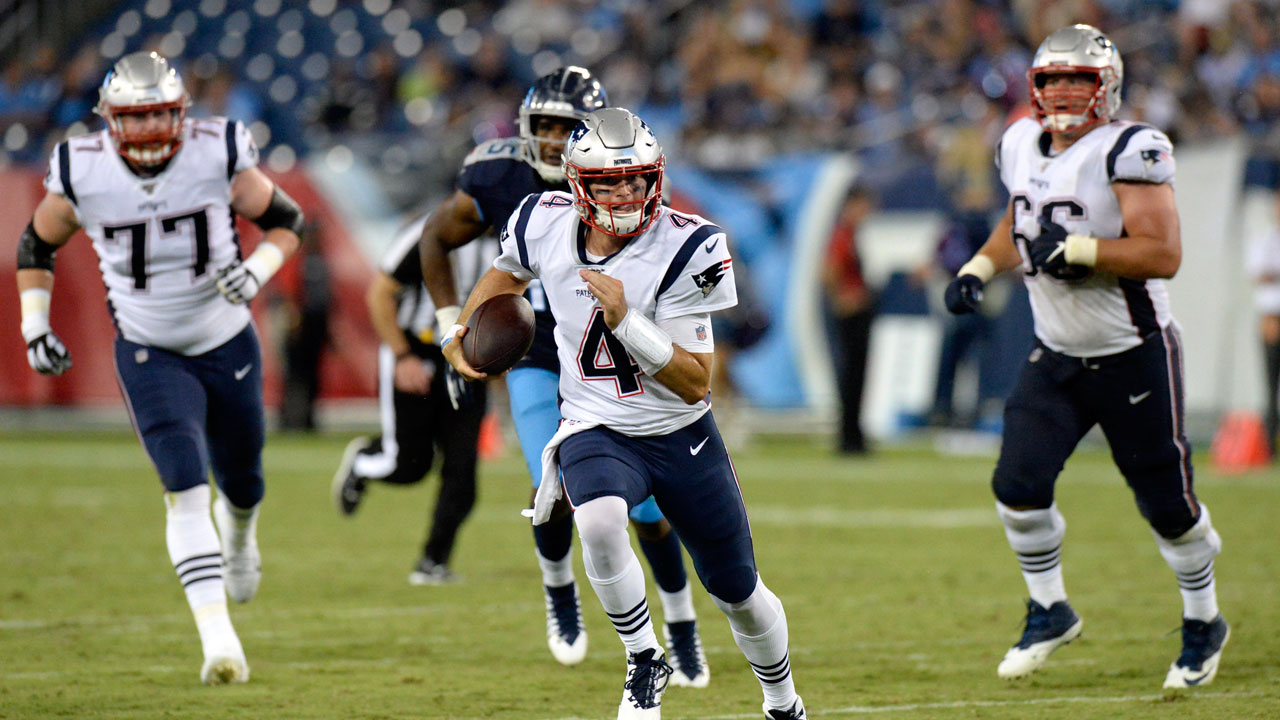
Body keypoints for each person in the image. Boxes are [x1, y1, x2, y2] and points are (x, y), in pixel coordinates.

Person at [443, 108, 805, 720]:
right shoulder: (541, 221)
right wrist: (461, 331)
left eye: (636, 180)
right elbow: (502, 278)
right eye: (609, 182)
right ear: (577, 184)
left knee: (738, 591)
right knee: (602, 522)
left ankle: (783, 701)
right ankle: (644, 658)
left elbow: (696, 384)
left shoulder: (690, 245)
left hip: (679, 434)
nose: (625, 193)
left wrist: (627, 324)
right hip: (595, 424)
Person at [944, 25, 1228, 689]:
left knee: (1167, 506)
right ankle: (1050, 609)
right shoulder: (1018, 141)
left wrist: (1079, 252)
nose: (1066, 92)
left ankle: (1203, 619)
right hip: (1060, 353)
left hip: (1132, 353)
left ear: (1108, 88)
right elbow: (1020, 218)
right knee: (1016, 485)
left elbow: (1163, 253)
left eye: (1080, 79)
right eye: (1053, 80)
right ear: (1034, 88)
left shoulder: (1132, 148)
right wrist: (981, 267)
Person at [15, 52, 304, 684]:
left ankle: (243, 532)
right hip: (147, 345)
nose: (147, 130)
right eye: (134, 118)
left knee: (244, 480)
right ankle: (217, 638)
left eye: (157, 116)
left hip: (225, 339)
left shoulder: (217, 149)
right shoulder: (81, 167)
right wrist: (33, 323)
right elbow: (37, 242)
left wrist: (254, 272)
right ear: (109, 120)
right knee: (183, 486)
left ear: (180, 113)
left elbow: (285, 221)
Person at [417, 67, 708, 683]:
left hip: (608, 359)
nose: (552, 139)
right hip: (534, 353)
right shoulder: (499, 180)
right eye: (543, 126)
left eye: (565, 127)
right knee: (549, 488)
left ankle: (681, 620)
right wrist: (452, 325)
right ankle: (559, 591)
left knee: (651, 509)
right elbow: (434, 236)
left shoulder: (628, 186)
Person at [331, 218, 492, 585]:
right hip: (417, 351)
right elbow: (380, 293)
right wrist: (402, 356)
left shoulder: (516, 233)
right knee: (408, 466)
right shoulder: (431, 231)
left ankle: (433, 562)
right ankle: (363, 460)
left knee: (462, 472)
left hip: (467, 360)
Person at [821, 184, 876, 454]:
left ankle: (854, 435)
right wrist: (842, 298)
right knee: (853, 377)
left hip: (857, 312)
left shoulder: (851, 234)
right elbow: (829, 270)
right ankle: (849, 438)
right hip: (851, 315)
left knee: (856, 377)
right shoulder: (842, 234)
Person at [1246, 189, 1280, 459]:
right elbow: (1259, 275)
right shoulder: (1266, 240)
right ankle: (1269, 447)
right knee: (1271, 387)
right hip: (1272, 321)